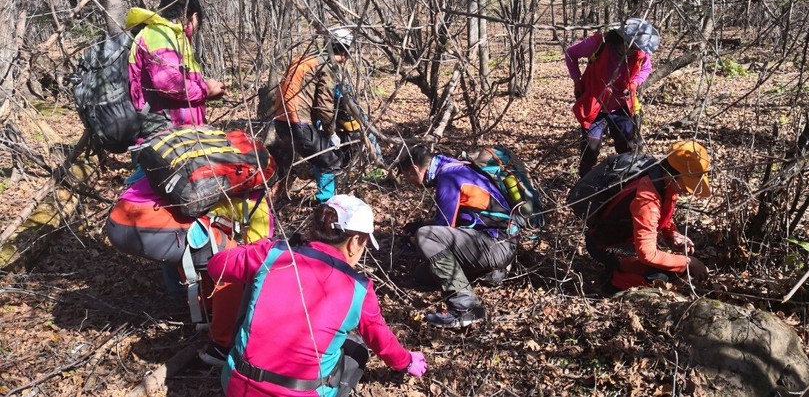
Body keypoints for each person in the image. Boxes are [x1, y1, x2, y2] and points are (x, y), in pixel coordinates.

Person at [207, 195, 427, 396]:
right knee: (356, 347)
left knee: (254, 281)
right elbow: (381, 339)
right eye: (364, 244)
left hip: (237, 385)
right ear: (354, 243)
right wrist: (406, 361)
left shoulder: (274, 254)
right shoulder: (359, 288)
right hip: (300, 392)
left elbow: (217, 267)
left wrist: (266, 245)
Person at [105, 176, 275, 365]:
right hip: (151, 226)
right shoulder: (254, 196)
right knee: (230, 263)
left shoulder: (201, 164)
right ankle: (221, 347)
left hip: (119, 218)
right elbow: (257, 255)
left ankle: (205, 316)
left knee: (198, 248)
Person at [397, 146, 519, 328]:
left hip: (496, 244)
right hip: (501, 241)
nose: (410, 182)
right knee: (422, 275)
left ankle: (466, 308)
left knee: (426, 236)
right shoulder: (455, 166)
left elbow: (443, 227)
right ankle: (489, 273)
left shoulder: (449, 178)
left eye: (408, 176)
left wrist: (415, 238)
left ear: (415, 169)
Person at [580, 140, 711, 292]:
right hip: (606, 245)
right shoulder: (647, 199)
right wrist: (689, 262)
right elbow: (647, 255)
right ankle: (612, 283)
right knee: (658, 277)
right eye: (686, 184)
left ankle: (623, 271)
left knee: (672, 269)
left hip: (629, 240)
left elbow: (663, 213)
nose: (688, 191)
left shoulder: (661, 179)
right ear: (673, 174)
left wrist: (672, 234)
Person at [125, 0, 226, 140]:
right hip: (162, 135)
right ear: (194, 17)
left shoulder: (173, 37)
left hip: (178, 132)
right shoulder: (159, 34)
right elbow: (168, 83)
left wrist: (206, 92)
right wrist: (206, 89)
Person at [565, 17, 659, 176]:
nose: (635, 51)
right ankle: (584, 181)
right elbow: (570, 53)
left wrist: (635, 83)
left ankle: (625, 178)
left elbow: (646, 68)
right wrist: (576, 80)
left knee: (627, 147)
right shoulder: (600, 43)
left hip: (621, 106)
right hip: (594, 104)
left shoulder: (641, 52)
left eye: (637, 48)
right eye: (632, 47)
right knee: (591, 147)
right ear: (623, 39)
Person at [271, 27, 356, 204]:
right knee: (331, 161)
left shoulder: (306, 59)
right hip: (298, 122)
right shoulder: (327, 65)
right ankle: (327, 205)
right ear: (345, 51)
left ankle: (278, 192)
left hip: (281, 122)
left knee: (317, 156)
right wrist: (332, 131)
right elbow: (324, 105)